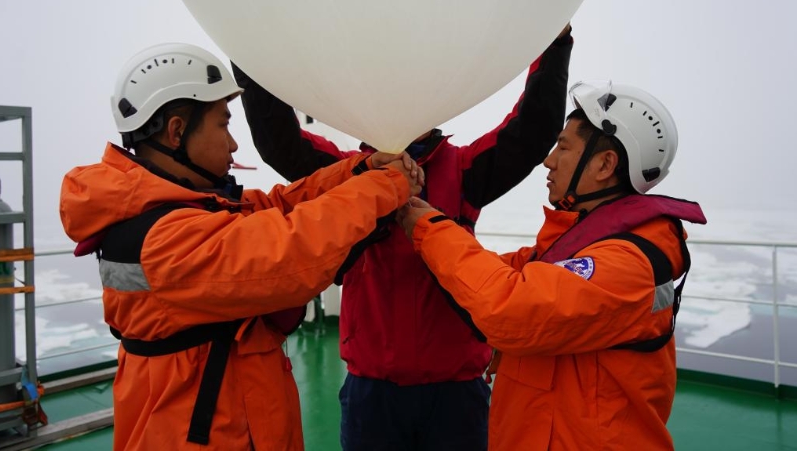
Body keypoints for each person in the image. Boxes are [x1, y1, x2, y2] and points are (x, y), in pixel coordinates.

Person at [59, 42, 423, 451]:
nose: (233, 146)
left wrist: (358, 170)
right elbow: (288, 251)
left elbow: (279, 206)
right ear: (178, 131)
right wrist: (386, 185)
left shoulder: (178, 210)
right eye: (222, 125)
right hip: (199, 433)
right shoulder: (163, 238)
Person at [232, 25, 573, 450]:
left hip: (456, 393)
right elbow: (279, 142)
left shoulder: (463, 170)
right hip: (373, 392)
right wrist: (248, 56)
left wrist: (553, 44)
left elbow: (532, 130)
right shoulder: (350, 173)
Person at [398, 81, 707, 451]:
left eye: (563, 147)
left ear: (605, 164)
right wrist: (429, 220)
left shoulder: (629, 264)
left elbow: (511, 307)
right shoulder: (578, 248)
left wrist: (430, 230)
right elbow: (497, 272)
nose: (548, 160)